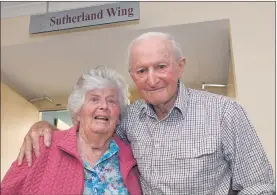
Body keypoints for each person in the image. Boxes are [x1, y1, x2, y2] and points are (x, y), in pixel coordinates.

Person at [16, 32, 275, 194]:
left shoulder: (224, 112)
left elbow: (259, 185)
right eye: (142, 71)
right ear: (133, 76)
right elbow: (89, 131)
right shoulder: (129, 118)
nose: (152, 80)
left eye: (161, 67)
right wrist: (43, 128)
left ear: (180, 66)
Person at [1, 66, 142, 195]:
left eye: (111, 101)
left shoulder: (132, 156)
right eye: (94, 99)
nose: (104, 106)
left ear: (118, 116)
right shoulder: (44, 145)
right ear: (78, 112)